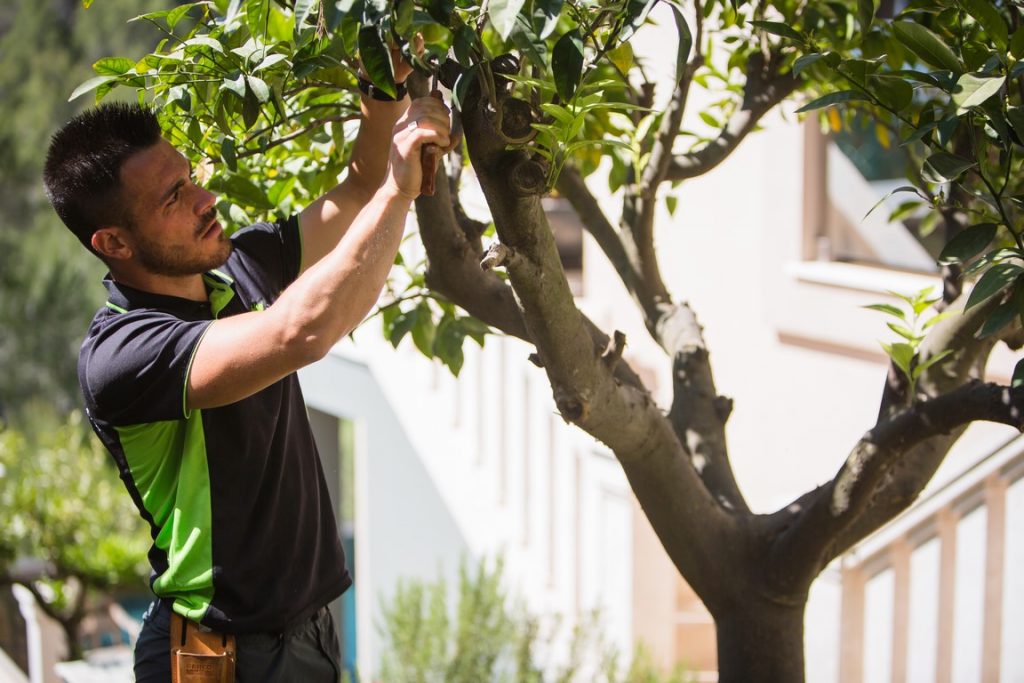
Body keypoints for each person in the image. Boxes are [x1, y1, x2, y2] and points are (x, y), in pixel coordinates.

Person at [42, 45, 451, 681]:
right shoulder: (123, 355)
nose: (207, 198)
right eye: (174, 196)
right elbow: (301, 331)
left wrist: (380, 89)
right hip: (217, 658)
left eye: (190, 175)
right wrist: (401, 189)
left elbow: (359, 190)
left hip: (311, 636)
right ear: (114, 243)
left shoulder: (237, 266)